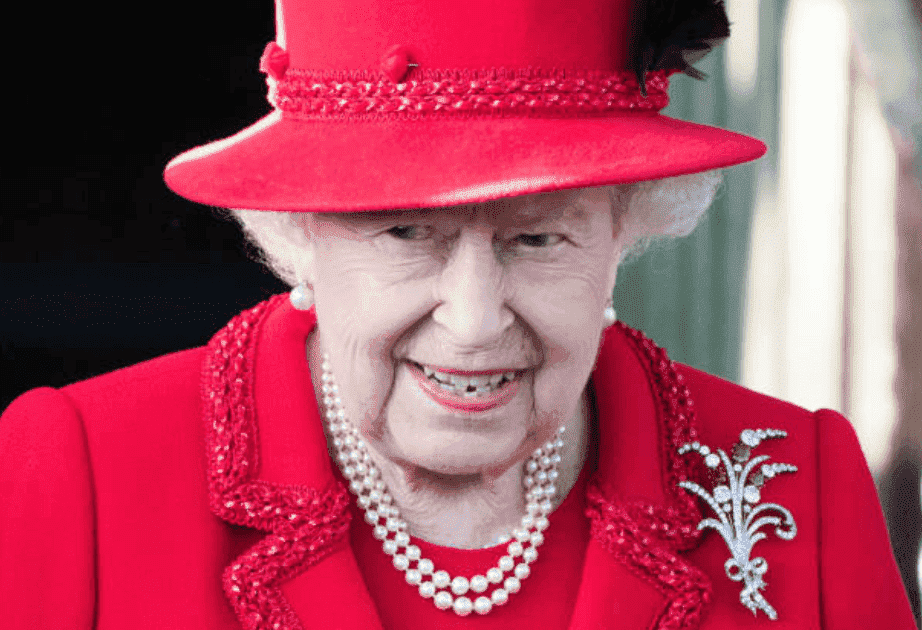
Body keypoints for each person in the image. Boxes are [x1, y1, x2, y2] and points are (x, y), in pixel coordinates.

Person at [0, 0, 915, 628]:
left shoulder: (802, 491)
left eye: (539, 239)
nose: (475, 320)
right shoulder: (75, 478)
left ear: (626, 230)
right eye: (406, 233)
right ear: (302, 233)